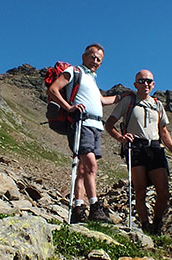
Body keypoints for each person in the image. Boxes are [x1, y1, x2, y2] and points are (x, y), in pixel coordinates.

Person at [47, 43, 127, 223]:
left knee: (83, 170)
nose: (96, 61)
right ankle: (95, 207)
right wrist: (69, 108)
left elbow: (103, 101)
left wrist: (123, 96)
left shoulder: (91, 79)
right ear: (84, 56)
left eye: (99, 59)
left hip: (95, 126)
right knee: (91, 164)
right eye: (93, 57)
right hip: (81, 123)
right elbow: (53, 89)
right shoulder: (73, 71)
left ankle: (78, 208)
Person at [105, 70, 172, 234]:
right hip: (136, 148)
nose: (145, 84)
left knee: (163, 191)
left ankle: (156, 223)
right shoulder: (128, 101)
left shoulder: (158, 104)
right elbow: (109, 124)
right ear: (135, 85)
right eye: (141, 81)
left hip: (155, 148)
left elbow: (163, 131)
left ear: (153, 84)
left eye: (148, 81)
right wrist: (120, 138)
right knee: (140, 190)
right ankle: (145, 225)